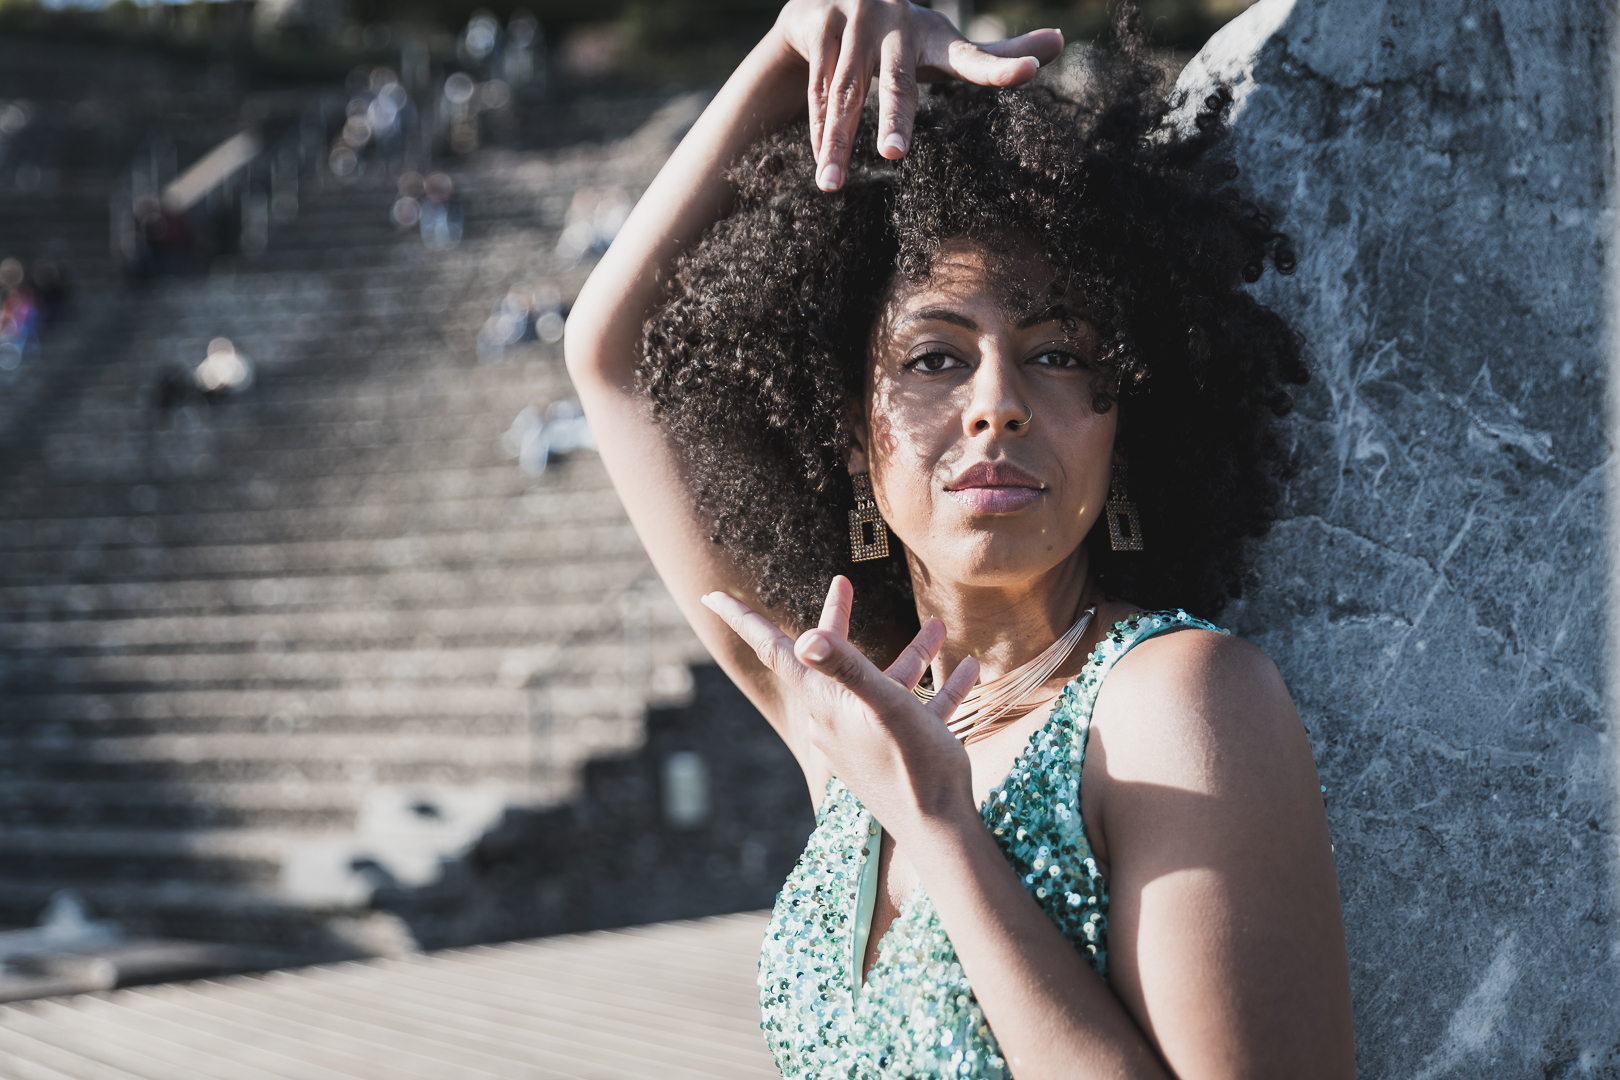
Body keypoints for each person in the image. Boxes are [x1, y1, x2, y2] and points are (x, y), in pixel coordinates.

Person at [565, 1, 1355, 1076]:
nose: (998, 405)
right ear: (847, 434)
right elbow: (611, 355)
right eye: (934, 359)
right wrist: (803, 44)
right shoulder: (850, 716)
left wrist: (941, 829)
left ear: (1127, 421)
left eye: (1061, 353)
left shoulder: (1177, 702)